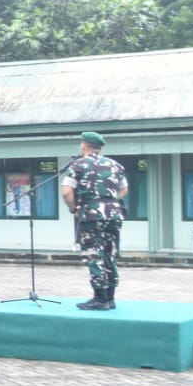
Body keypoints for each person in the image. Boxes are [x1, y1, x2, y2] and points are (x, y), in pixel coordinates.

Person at [61, 131, 128, 310]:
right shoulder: (115, 165)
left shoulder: (78, 165)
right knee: (110, 253)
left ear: (83, 146)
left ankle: (99, 298)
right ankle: (110, 298)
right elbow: (124, 189)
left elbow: (67, 191)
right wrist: (111, 200)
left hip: (91, 214)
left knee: (94, 253)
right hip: (114, 215)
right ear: (99, 147)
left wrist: (74, 208)